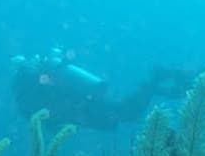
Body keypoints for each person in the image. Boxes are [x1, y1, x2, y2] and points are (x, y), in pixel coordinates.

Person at [11, 48, 192, 129]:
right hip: (85, 102)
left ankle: (156, 82)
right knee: (125, 112)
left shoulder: (27, 86)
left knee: (126, 113)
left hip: (84, 105)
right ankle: (158, 83)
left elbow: (48, 106)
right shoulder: (32, 81)